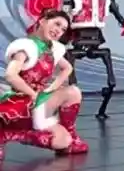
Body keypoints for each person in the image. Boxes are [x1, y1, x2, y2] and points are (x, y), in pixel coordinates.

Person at [0, 9, 89, 158]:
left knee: (63, 141)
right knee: (73, 92)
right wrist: (32, 93)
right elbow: (10, 75)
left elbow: (67, 68)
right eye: (57, 24)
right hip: (22, 100)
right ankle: (5, 134)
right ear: (42, 21)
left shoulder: (52, 49)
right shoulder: (25, 47)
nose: (58, 31)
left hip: (40, 101)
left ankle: (11, 134)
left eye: (63, 29)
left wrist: (52, 87)